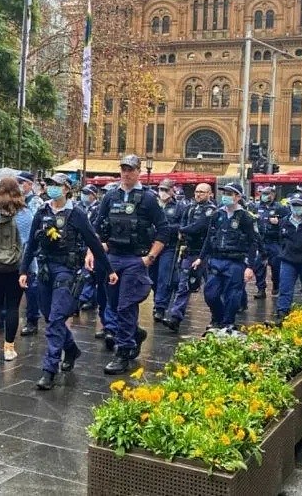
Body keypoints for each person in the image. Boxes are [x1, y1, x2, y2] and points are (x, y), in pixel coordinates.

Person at [20, 173, 116, 389]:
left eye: (57, 185)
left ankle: (49, 369)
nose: (52, 188)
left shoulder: (77, 214)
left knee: (55, 318)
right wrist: (24, 270)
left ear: (66, 189)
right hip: (45, 269)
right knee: (48, 314)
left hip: (67, 270)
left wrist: (109, 269)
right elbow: (31, 244)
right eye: (50, 184)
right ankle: (71, 349)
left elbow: (94, 241)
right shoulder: (42, 210)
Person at [91, 155, 169, 375]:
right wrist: (97, 249)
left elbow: (164, 229)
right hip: (113, 258)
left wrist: (150, 257)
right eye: (123, 169)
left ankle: (123, 351)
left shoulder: (148, 199)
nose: (126, 173)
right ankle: (134, 332)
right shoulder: (110, 196)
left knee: (126, 305)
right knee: (114, 305)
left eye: (130, 169)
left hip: (135, 259)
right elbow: (97, 227)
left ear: (139, 172)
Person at [0, 177, 33, 361]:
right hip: (17, 268)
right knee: (12, 307)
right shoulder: (25, 214)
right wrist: (30, 269)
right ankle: (9, 348)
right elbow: (29, 244)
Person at [192, 182, 258, 336]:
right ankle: (218, 318)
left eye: (230, 194)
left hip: (235, 262)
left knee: (232, 295)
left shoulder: (246, 218)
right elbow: (209, 238)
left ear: (238, 197)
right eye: (225, 193)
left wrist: (250, 267)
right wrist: (200, 258)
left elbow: (253, 242)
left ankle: (228, 322)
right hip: (216, 260)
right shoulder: (217, 215)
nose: (226, 196)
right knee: (210, 293)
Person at [164, 182, 216, 331]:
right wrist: (184, 234)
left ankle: (216, 318)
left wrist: (183, 230)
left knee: (211, 288)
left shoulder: (210, 210)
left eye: (202, 192)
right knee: (183, 285)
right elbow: (185, 225)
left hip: (205, 253)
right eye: (197, 191)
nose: (198, 194)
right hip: (190, 251)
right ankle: (175, 317)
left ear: (209, 194)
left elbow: (199, 226)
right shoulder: (190, 208)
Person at [151, 179, 184, 325]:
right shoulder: (154, 204)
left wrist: (166, 227)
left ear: (172, 191)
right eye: (161, 189)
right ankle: (158, 299)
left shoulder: (178, 207)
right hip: (152, 245)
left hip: (169, 246)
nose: (162, 193)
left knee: (164, 276)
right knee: (152, 276)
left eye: (165, 190)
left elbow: (182, 226)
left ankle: (160, 306)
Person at [16, 172, 45, 336]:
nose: (20, 185)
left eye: (22, 182)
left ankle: (32, 319)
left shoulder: (36, 202)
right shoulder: (17, 202)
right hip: (16, 248)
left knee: (31, 284)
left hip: (31, 248)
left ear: (29, 184)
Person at [253, 186, 289, 298]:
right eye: (263, 193)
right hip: (261, 241)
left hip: (274, 241)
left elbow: (288, 222)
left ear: (272, 195)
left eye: (267, 193)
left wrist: (278, 223)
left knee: (276, 265)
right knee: (258, 265)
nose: (264, 196)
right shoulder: (256, 207)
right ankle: (261, 289)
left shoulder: (280, 208)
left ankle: (276, 286)